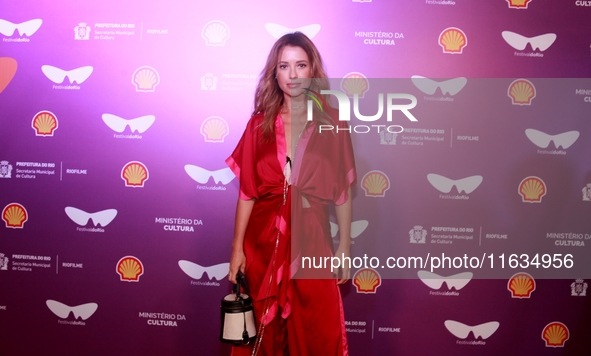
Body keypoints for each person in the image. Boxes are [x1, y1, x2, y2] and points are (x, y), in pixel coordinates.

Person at [226, 32, 356, 356]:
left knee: (316, 329)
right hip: (263, 242)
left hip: (312, 240)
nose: (293, 74)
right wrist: (237, 248)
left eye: (301, 65)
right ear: (275, 73)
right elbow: (247, 193)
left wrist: (344, 247)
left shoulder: (333, 123)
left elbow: (340, 192)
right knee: (262, 333)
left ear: (312, 70)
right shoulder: (258, 125)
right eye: (284, 66)